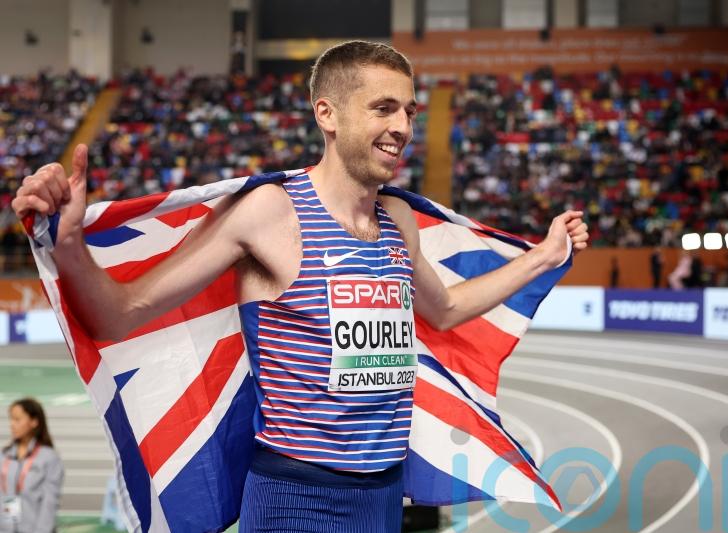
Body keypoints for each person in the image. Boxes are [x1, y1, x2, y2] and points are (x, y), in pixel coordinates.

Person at [12, 41, 589, 532]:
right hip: (294, 501)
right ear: (328, 114)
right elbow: (120, 314)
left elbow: (447, 309)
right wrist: (69, 244)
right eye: (384, 108)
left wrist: (542, 257)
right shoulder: (271, 212)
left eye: (410, 112)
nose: (403, 128)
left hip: (385, 499)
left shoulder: (399, 222)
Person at [0, 398, 64, 533]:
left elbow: (49, 502)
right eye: (11, 419)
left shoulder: (49, 458)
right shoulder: (4, 456)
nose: (12, 424)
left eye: (17, 420)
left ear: (34, 422)